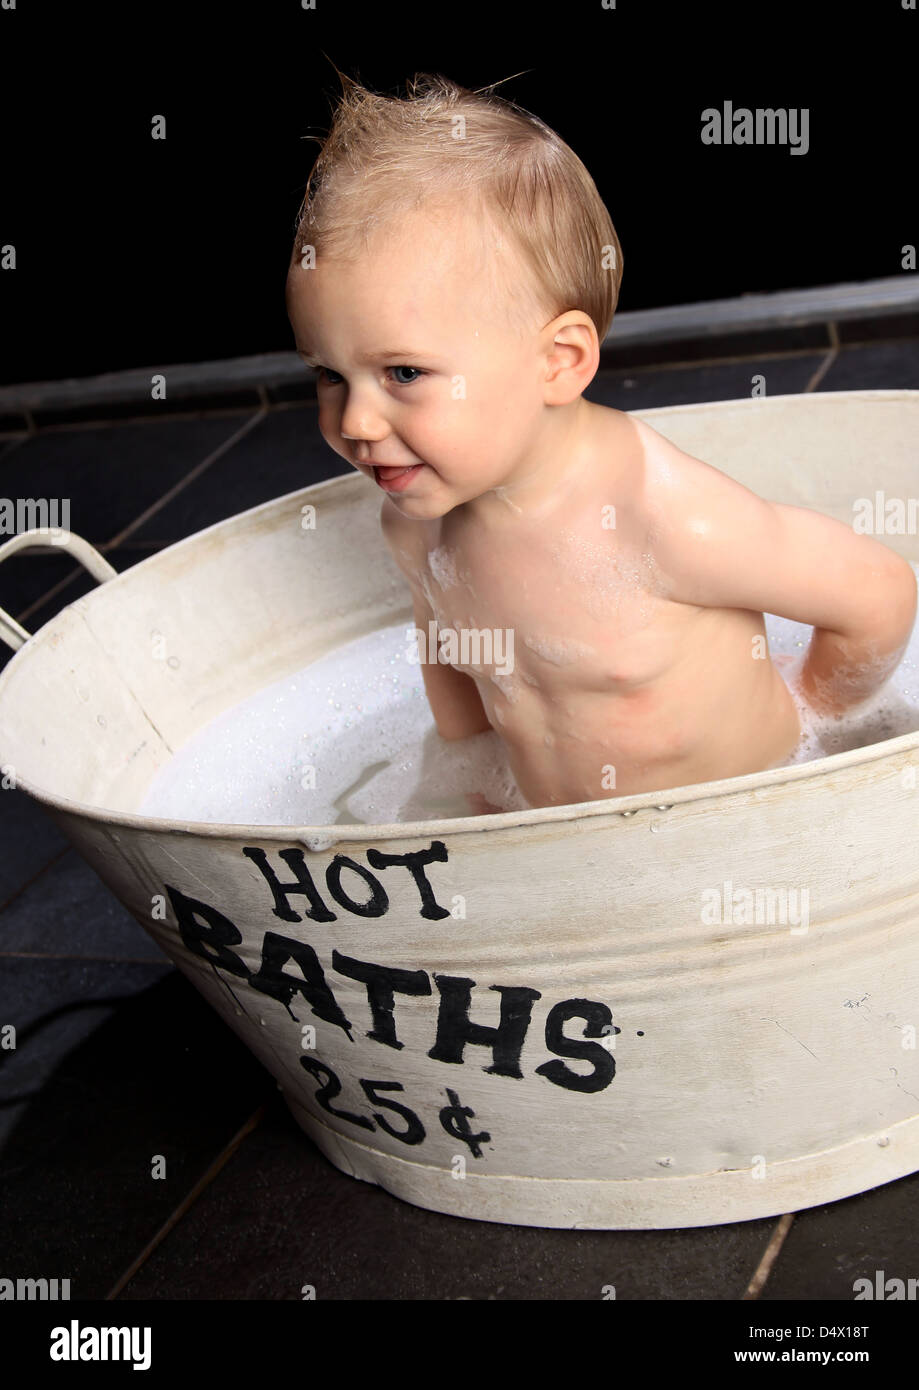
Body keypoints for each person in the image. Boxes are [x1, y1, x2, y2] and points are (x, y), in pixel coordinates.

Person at [285, 68, 917, 810]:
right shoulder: (415, 528)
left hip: (747, 817)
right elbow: (451, 656)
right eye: (329, 375)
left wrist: (824, 723)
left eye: (403, 372)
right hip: (575, 848)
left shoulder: (664, 517)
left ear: (559, 361)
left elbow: (876, 593)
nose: (354, 423)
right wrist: (464, 790)